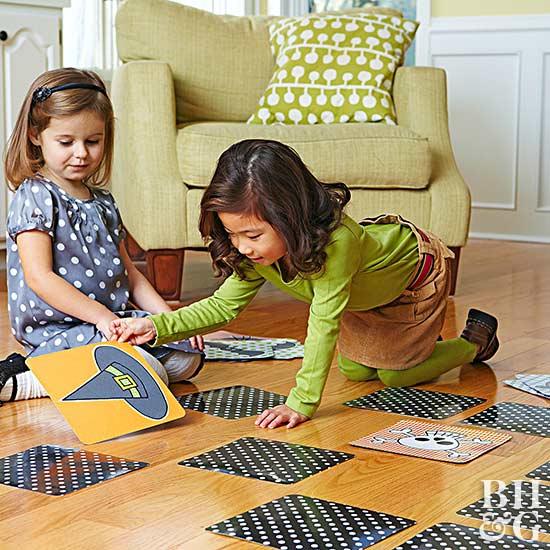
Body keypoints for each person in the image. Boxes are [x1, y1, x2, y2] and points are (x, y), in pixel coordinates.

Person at [110, 139, 499, 429]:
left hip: (416, 275)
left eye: (252, 234)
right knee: (358, 372)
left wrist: (301, 403)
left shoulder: (338, 243)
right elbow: (223, 306)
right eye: (232, 234)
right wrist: (156, 326)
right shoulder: (253, 251)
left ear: (289, 217)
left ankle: (473, 343)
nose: (242, 247)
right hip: (363, 296)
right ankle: (409, 348)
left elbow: (323, 323)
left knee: (396, 375)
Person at [1, 68, 228, 403]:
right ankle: (27, 380)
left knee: (188, 361)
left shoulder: (103, 201)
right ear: (36, 135)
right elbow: (40, 277)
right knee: (150, 371)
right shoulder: (36, 196)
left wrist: (171, 319)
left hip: (113, 325)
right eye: (66, 142)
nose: (81, 153)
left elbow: (131, 275)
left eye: (93, 141)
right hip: (63, 330)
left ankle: (89, 374)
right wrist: (102, 318)